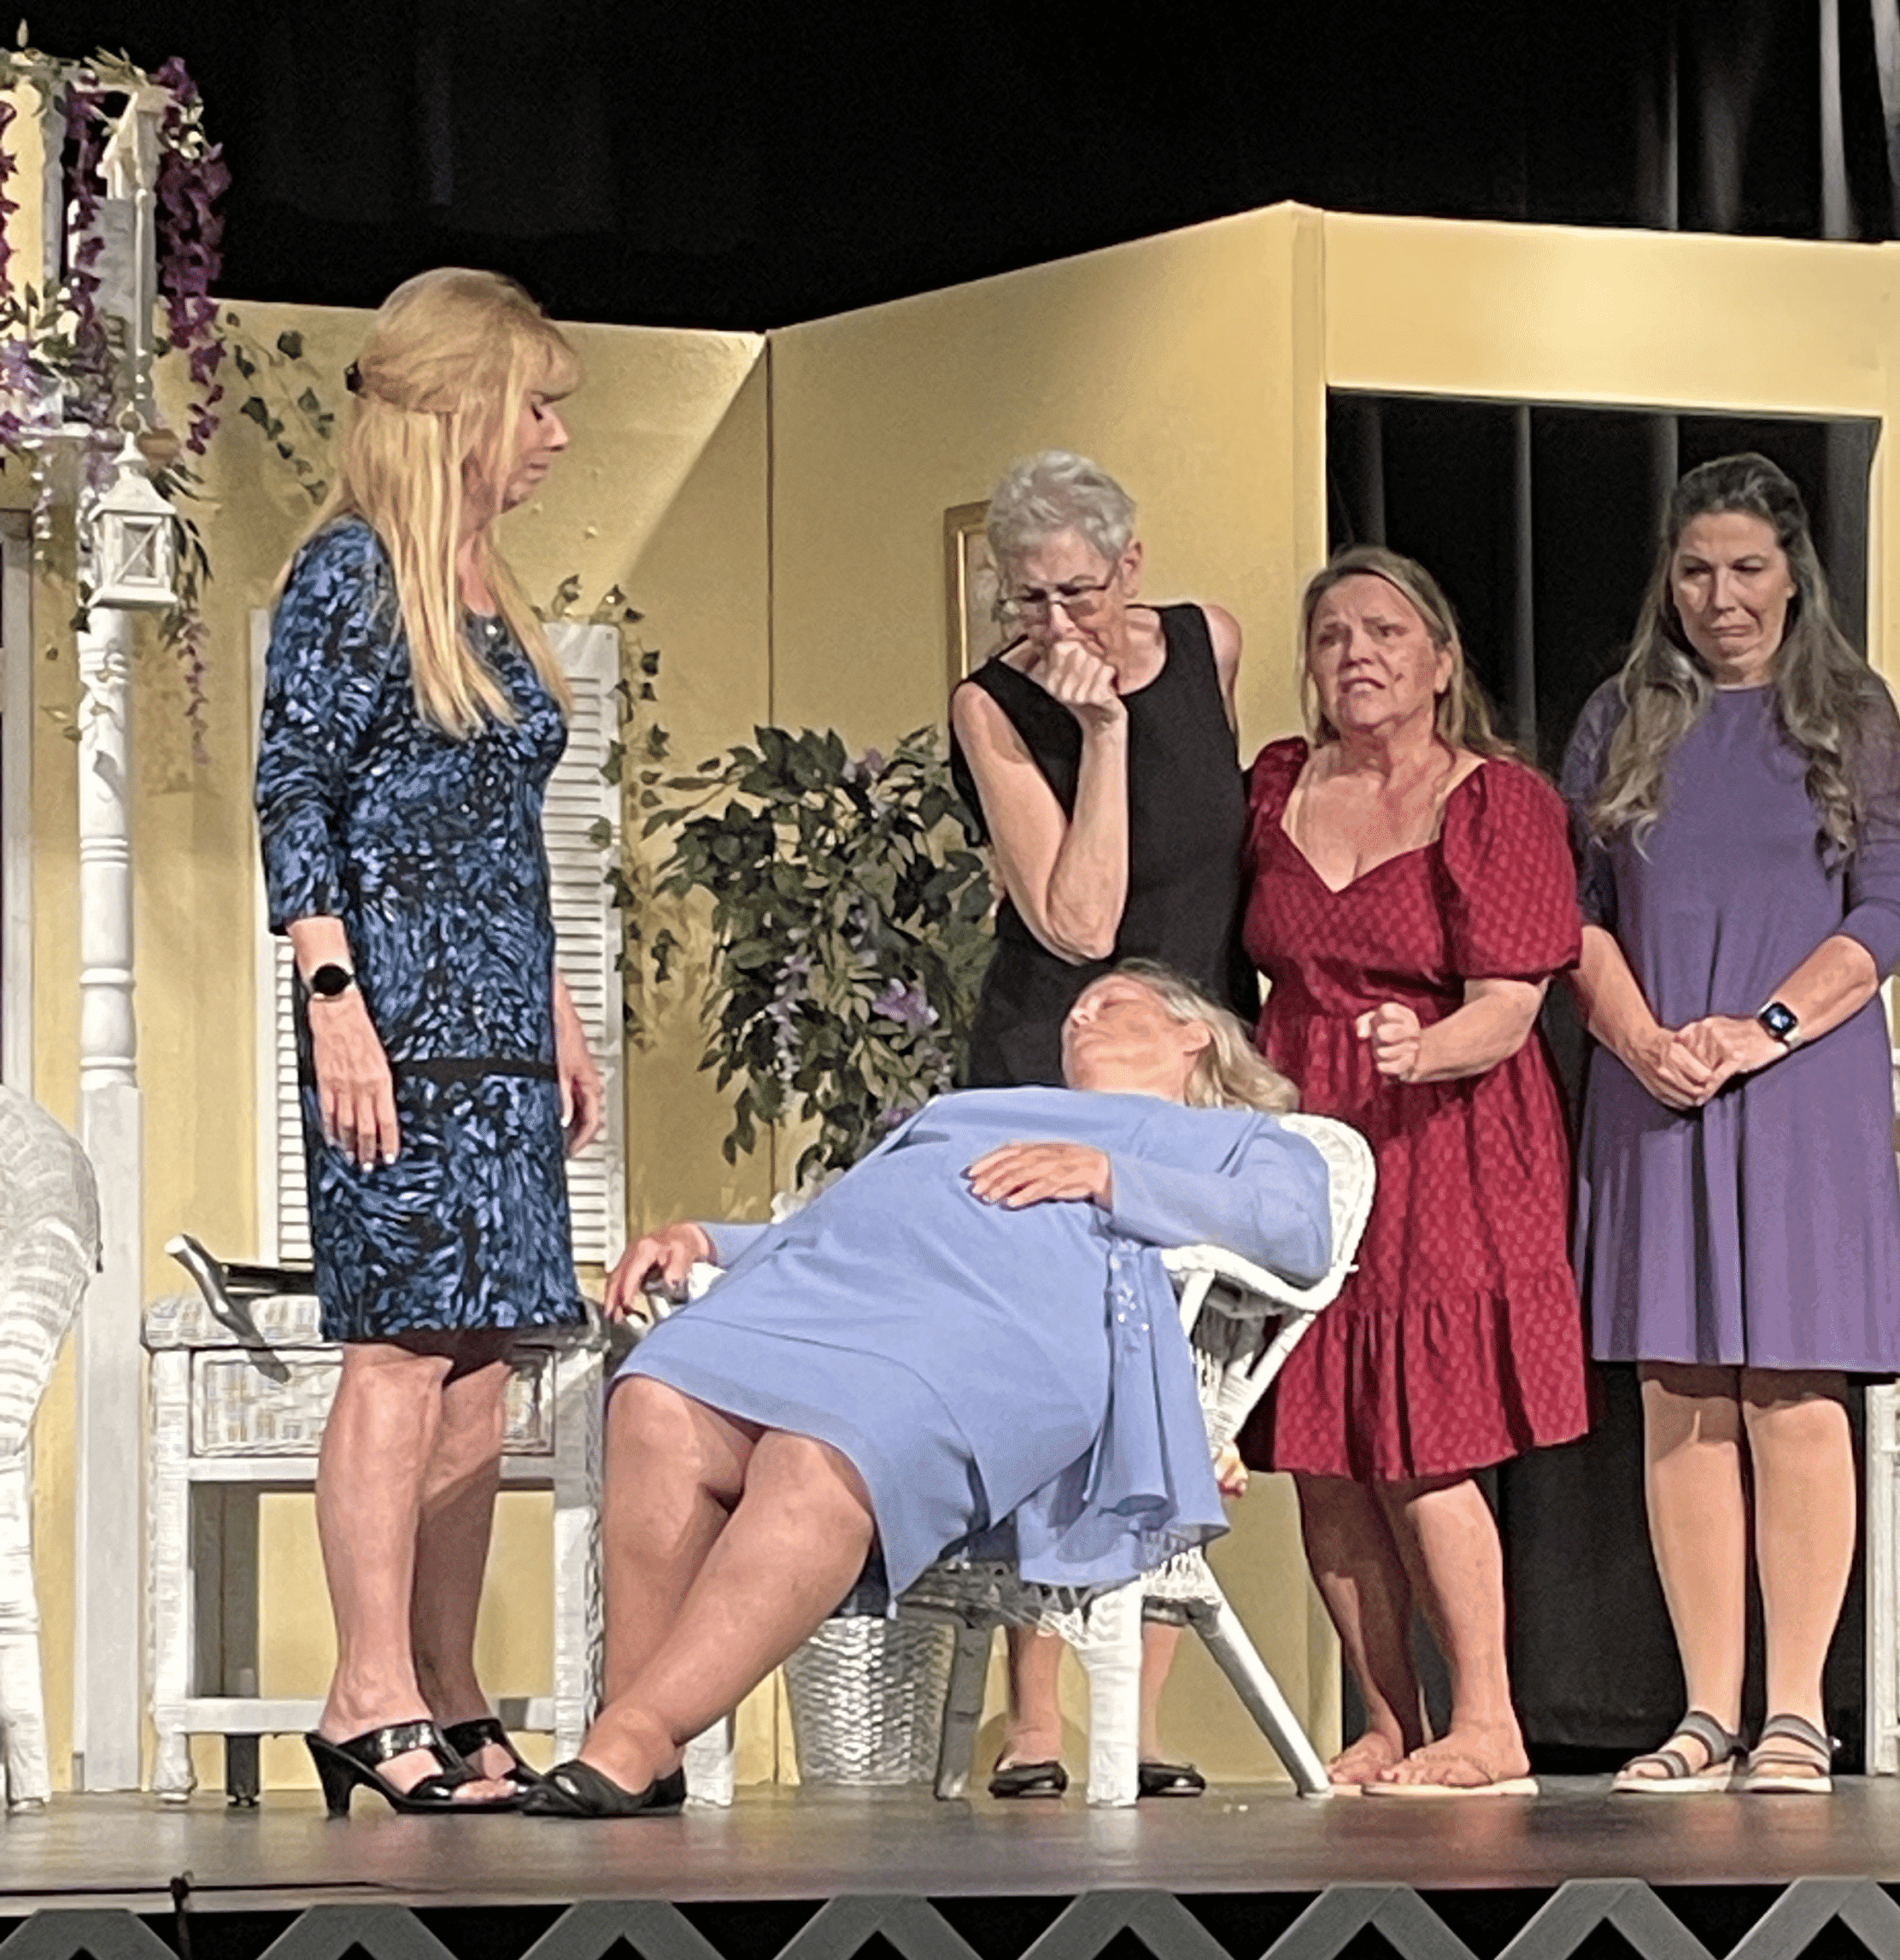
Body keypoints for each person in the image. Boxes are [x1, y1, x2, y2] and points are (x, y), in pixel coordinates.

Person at [525, 967, 1332, 1819]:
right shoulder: (960, 1114)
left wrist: (1108, 1175)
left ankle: (632, 1735)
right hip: (834, 1297)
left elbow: (1300, 1233)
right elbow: (833, 1223)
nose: (1080, 1014)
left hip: (998, 1337)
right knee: (652, 1398)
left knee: (822, 1452)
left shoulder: (1238, 1140)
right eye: (1075, 1007)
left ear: (1192, 1035)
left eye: (1113, 1003)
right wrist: (704, 1238)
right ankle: (638, 1745)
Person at [254, 268, 603, 1815]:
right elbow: (296, 798)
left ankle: (449, 1682)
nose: (552, 438)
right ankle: (364, 1684)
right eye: (535, 406)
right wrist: (336, 1004)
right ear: (461, 407)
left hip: (502, 1026)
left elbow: (502, 825)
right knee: (399, 1348)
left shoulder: (486, 584)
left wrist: (559, 1009)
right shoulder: (348, 578)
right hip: (390, 1018)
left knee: (484, 1366)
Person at [1561, 452, 1900, 1794]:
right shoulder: (1620, 716)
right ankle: (1705, 1710)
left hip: (1800, 1082)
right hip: (1654, 1080)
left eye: (1749, 568)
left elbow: (1888, 908)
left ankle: (1794, 1712)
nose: (1722, 595)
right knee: (1681, 1390)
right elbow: (1572, 911)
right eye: (1699, 568)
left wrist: (1760, 1030)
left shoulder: (1852, 711)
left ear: (1793, 575)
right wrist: (1642, 1035)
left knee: (1793, 1385)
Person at [1240, 546, 1588, 1796]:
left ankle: (1488, 1719)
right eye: (1333, 636)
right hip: (1303, 1131)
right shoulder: (1276, 784)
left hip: (1443, 1133)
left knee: (1422, 1436)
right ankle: (1389, 1719)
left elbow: (1510, 1006)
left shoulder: (1497, 802)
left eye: (1387, 632)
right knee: (1326, 1440)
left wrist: (1424, 1046)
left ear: (1440, 662)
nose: (1358, 656)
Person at [948, 450, 1258, 1799]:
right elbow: (1076, 918)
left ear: (1133, 569)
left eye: (1081, 592)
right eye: (1030, 598)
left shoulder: (1209, 645)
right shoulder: (992, 704)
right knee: (1056, 1374)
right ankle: (1033, 1723)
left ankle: (1133, 1708)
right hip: (1058, 1053)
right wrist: (1107, 734)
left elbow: (1220, 852)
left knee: (1188, 1376)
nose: (1059, 625)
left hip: (1186, 1057)